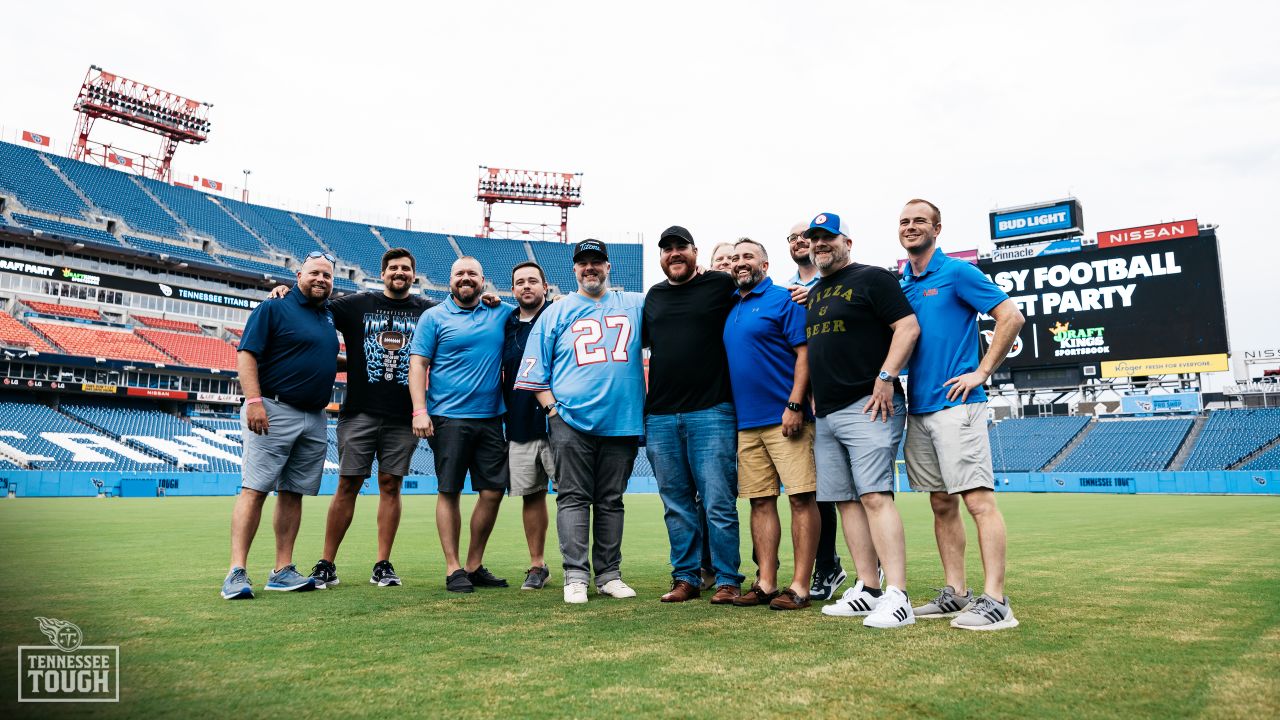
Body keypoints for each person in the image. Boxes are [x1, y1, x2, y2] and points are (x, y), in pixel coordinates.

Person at [260, 248, 435, 589]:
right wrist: (285, 292)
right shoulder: (355, 304)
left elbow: (460, 314)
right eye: (393, 268)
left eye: (406, 269)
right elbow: (310, 304)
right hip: (358, 412)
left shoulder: (428, 311)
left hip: (403, 416)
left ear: (414, 276)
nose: (399, 273)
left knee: (390, 486)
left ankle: (383, 563)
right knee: (347, 484)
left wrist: (488, 300)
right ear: (382, 273)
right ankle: (327, 562)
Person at [897, 199, 1024, 630]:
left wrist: (982, 371)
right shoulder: (904, 283)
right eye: (904, 222)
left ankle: (996, 600)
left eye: (919, 221)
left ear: (937, 228)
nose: (911, 227)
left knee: (978, 501)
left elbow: (1010, 315)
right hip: (921, 407)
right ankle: (956, 593)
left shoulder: (957, 272)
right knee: (940, 503)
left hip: (958, 404)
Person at [802, 212, 922, 628]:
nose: (820, 245)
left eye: (828, 238)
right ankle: (869, 588)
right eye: (814, 240)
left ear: (847, 243)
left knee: (874, 496)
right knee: (847, 501)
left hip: (868, 405)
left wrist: (887, 377)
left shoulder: (873, 278)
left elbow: (907, 327)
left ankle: (898, 595)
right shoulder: (816, 291)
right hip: (829, 413)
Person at [514, 239, 646, 604]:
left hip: (621, 420)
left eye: (597, 262)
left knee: (611, 500)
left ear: (608, 267)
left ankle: (609, 574)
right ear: (574, 269)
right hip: (569, 419)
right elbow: (534, 366)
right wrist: (552, 409)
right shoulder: (557, 311)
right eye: (583, 263)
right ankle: (576, 575)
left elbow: (674, 308)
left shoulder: (634, 303)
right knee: (572, 497)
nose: (590, 268)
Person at [221, 251, 340, 600]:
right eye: (315, 273)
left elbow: (320, 357)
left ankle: (282, 570)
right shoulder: (274, 306)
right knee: (255, 489)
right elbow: (247, 353)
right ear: (298, 274)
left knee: (293, 493)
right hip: (273, 407)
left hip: (315, 416)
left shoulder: (328, 316)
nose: (321, 280)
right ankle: (236, 571)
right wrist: (254, 400)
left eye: (328, 276)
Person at [643, 225, 744, 604]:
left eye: (680, 247)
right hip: (661, 416)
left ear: (694, 251)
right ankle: (685, 577)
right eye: (667, 249)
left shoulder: (719, 285)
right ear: (661, 257)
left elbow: (756, 296)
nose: (674, 253)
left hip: (712, 410)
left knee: (718, 501)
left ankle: (727, 579)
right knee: (676, 505)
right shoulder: (653, 297)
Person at [721, 239, 820, 611]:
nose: (741, 263)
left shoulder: (784, 298)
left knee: (800, 498)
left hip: (785, 418)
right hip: (746, 424)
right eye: (735, 258)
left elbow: (804, 352)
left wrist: (795, 404)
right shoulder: (732, 305)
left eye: (748, 256)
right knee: (760, 502)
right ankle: (765, 582)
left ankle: (800, 586)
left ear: (764, 262)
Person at [408, 257, 513, 594]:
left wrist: (500, 299)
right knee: (449, 491)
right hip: (448, 418)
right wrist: (419, 410)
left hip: (491, 418)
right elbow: (418, 364)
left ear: (484, 281)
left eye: (472, 274)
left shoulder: (500, 312)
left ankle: (473, 564)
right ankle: (453, 568)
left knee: (494, 492)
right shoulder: (433, 317)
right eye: (459, 274)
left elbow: (532, 311)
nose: (465, 279)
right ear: (450, 280)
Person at [785, 220, 847, 601]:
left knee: (856, 491)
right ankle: (828, 566)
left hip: (844, 397)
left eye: (804, 237)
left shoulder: (840, 281)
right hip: (809, 406)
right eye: (791, 238)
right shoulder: (786, 291)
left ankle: (867, 568)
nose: (799, 242)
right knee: (817, 492)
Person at [502, 261, 557, 590]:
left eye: (533, 281)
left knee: (572, 496)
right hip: (520, 423)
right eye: (520, 281)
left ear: (545, 286)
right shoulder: (506, 322)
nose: (526, 286)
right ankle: (537, 564)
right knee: (531, 496)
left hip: (558, 422)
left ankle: (577, 564)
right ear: (512, 290)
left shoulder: (559, 316)